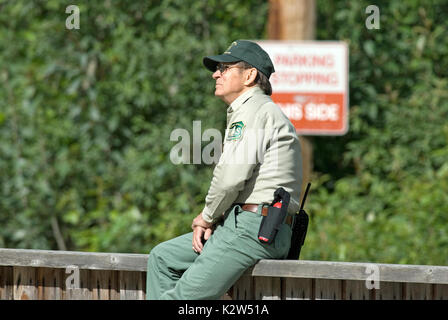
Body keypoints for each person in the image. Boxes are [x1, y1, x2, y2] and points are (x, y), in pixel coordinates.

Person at [146, 40, 302, 300]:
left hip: (254, 228)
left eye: (225, 68)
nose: (215, 74)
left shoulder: (253, 109)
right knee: (163, 258)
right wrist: (218, 218)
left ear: (250, 75)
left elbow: (231, 178)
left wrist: (207, 217)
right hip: (252, 225)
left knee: (180, 300)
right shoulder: (258, 110)